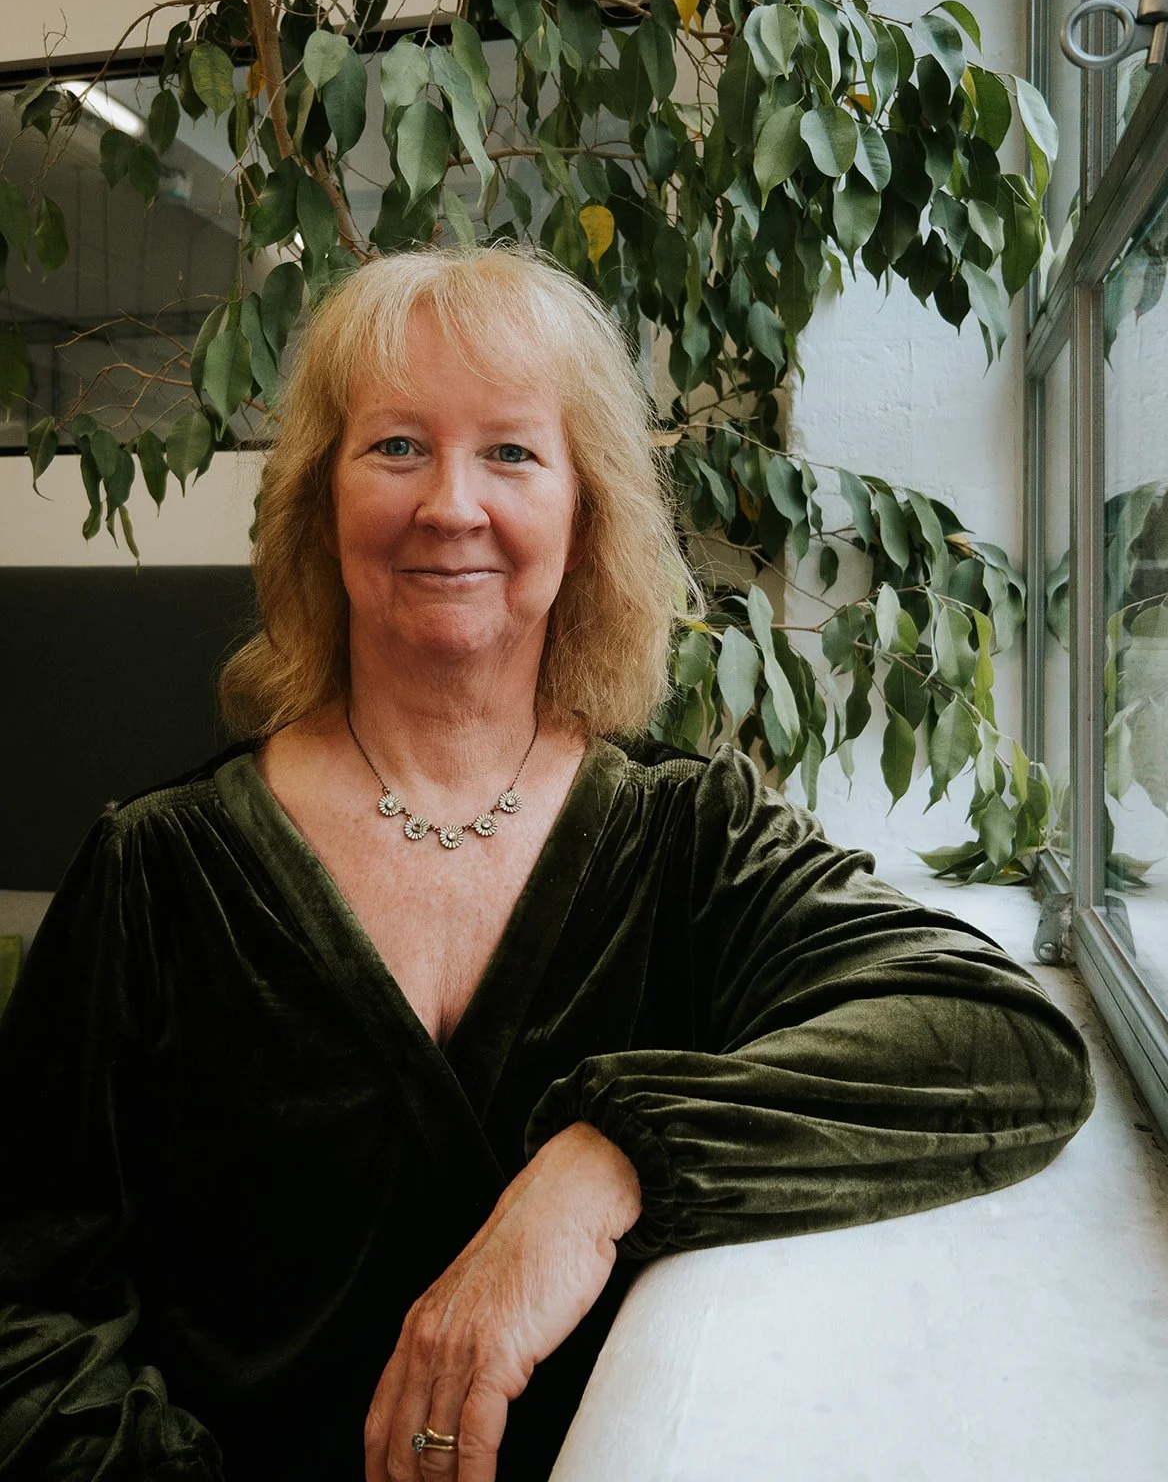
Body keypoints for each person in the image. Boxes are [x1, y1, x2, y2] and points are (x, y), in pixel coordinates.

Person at [0, 246, 1093, 1482]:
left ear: (586, 515)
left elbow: (1005, 1044)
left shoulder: (692, 840)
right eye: (396, 446)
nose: (450, 505)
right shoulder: (156, 872)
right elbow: (24, 1327)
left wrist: (607, 1157)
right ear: (319, 500)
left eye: (512, 452)